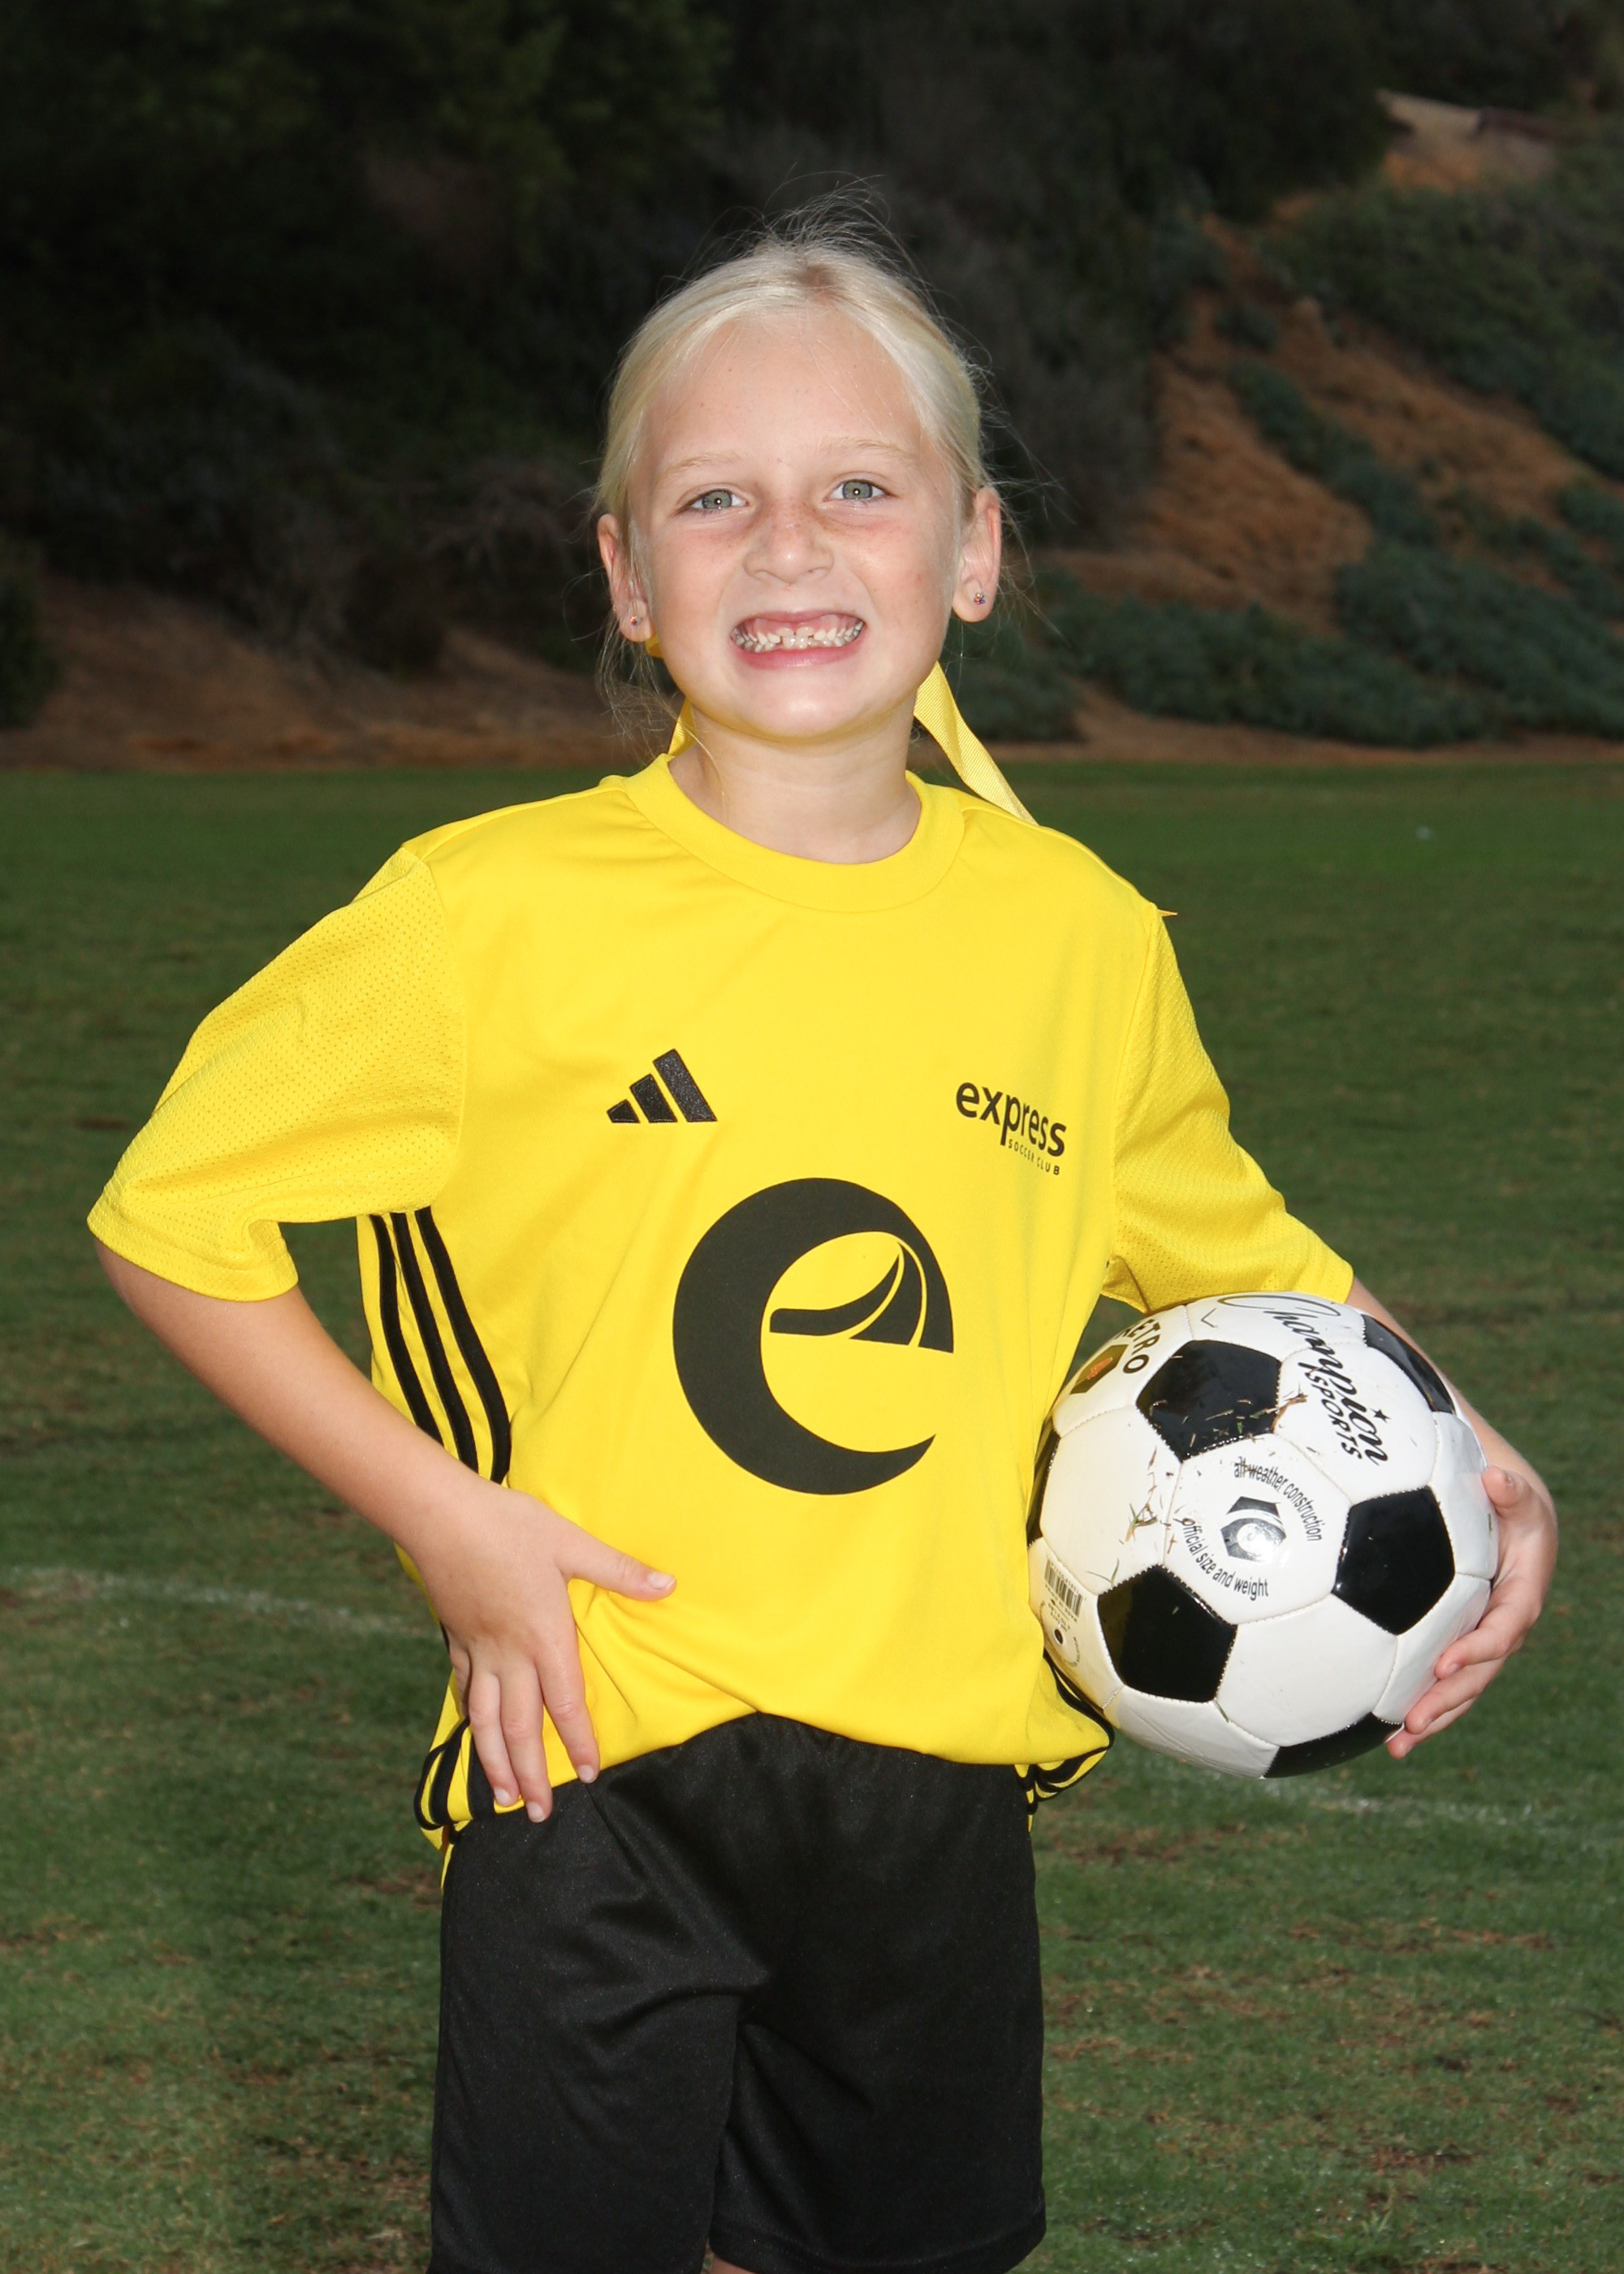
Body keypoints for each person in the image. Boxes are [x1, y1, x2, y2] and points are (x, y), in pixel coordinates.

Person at [89, 217, 1557, 2274]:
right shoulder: (486, 913)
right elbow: (173, 1218)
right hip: (595, 1754)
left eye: (860, 486)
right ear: (626, 574)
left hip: (941, 1782)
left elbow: (1243, 1256)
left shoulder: (1076, 939)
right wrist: (444, 1516)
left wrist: (1473, 1458)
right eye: (716, 499)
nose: (789, 544)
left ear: (974, 548)